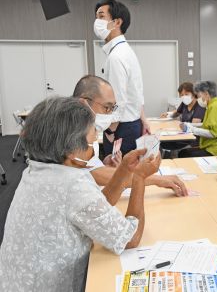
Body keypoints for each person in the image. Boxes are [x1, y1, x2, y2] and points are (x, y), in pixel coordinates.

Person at [0, 97, 161, 291]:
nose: (93, 151)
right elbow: (130, 238)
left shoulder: (35, 171)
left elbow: (97, 206)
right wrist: (139, 179)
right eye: (90, 144)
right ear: (70, 149)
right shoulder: (72, 184)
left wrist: (124, 169)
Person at [72, 75, 188, 197]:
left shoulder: (88, 129)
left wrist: (104, 165)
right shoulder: (69, 133)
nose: (110, 114)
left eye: (113, 108)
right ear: (84, 103)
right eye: (107, 108)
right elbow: (93, 174)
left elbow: (91, 170)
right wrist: (156, 179)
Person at [94, 0, 149, 156]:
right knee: (128, 173)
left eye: (101, 16)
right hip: (132, 123)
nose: (97, 22)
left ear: (117, 22)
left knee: (118, 175)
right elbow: (137, 92)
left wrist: (110, 131)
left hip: (121, 128)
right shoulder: (126, 51)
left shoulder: (116, 57)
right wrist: (143, 120)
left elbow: (118, 101)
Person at [178, 81, 217, 157]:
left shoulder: (214, 107)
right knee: (184, 152)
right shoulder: (213, 104)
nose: (198, 99)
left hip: (216, 149)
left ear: (206, 93)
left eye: (199, 96)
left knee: (184, 154)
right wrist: (190, 125)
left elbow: (213, 133)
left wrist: (192, 129)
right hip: (212, 145)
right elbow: (207, 125)